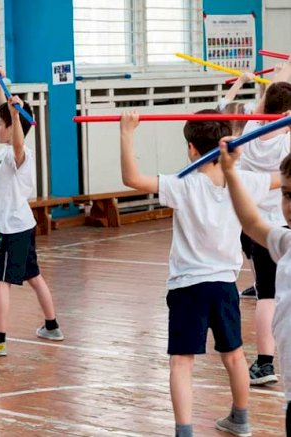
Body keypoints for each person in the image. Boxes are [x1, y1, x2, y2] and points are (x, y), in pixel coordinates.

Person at [119, 108, 279, 437]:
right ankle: (241, 419)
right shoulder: (243, 181)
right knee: (234, 356)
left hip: (188, 287)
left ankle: (185, 431)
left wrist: (126, 132)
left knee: (182, 361)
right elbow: (283, 177)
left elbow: (132, 179)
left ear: (192, 148)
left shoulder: (183, 184)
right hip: (224, 286)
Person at [0, 66, 62, 357]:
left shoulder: (18, 155)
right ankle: (51, 326)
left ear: (12, 127)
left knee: (2, 282)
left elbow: (18, 138)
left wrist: (14, 115)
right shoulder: (6, 151)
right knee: (33, 275)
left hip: (13, 230)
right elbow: (6, 113)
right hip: (20, 226)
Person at [219, 136, 291, 436]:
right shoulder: (285, 242)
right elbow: (251, 223)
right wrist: (230, 171)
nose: (290, 205)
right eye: (287, 194)